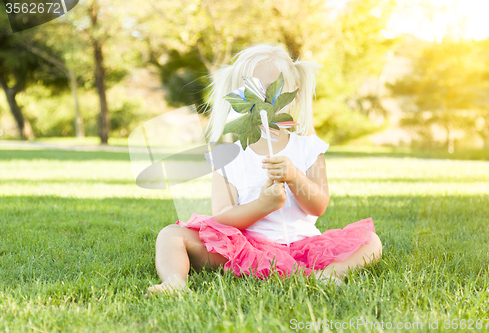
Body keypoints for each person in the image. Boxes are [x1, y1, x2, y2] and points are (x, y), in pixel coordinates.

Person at [145, 44, 382, 297]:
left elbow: (319, 205)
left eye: (272, 92)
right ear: (238, 99)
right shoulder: (227, 156)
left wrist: (294, 177)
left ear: (295, 95)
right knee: (170, 234)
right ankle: (174, 281)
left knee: (372, 242)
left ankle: (328, 274)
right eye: (252, 92)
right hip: (247, 248)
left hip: (304, 245)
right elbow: (222, 217)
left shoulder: (308, 147)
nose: (263, 102)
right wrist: (263, 205)